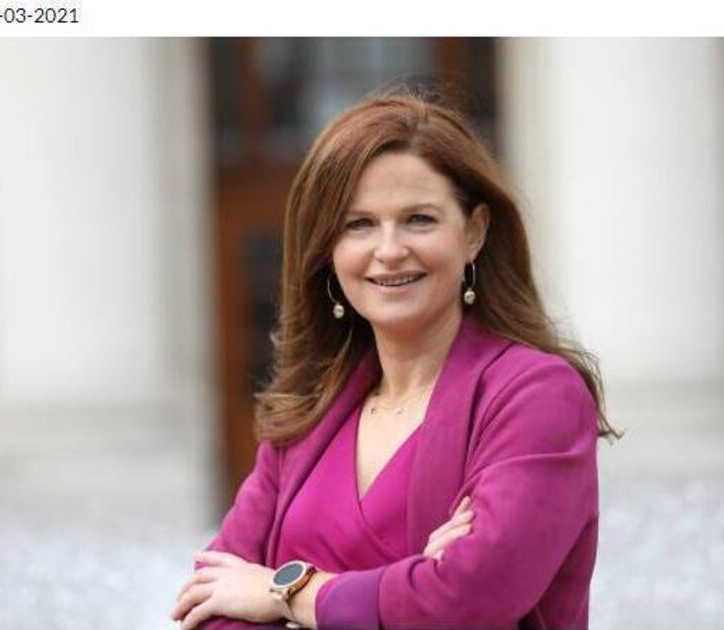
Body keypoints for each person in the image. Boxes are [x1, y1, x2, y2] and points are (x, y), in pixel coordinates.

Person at [170, 89, 618, 629]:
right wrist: (409, 587)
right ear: (328, 249)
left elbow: (466, 598)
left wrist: (286, 592)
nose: (389, 250)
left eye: (419, 219)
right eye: (358, 224)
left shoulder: (536, 396)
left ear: (474, 232)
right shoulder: (309, 411)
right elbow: (207, 605)